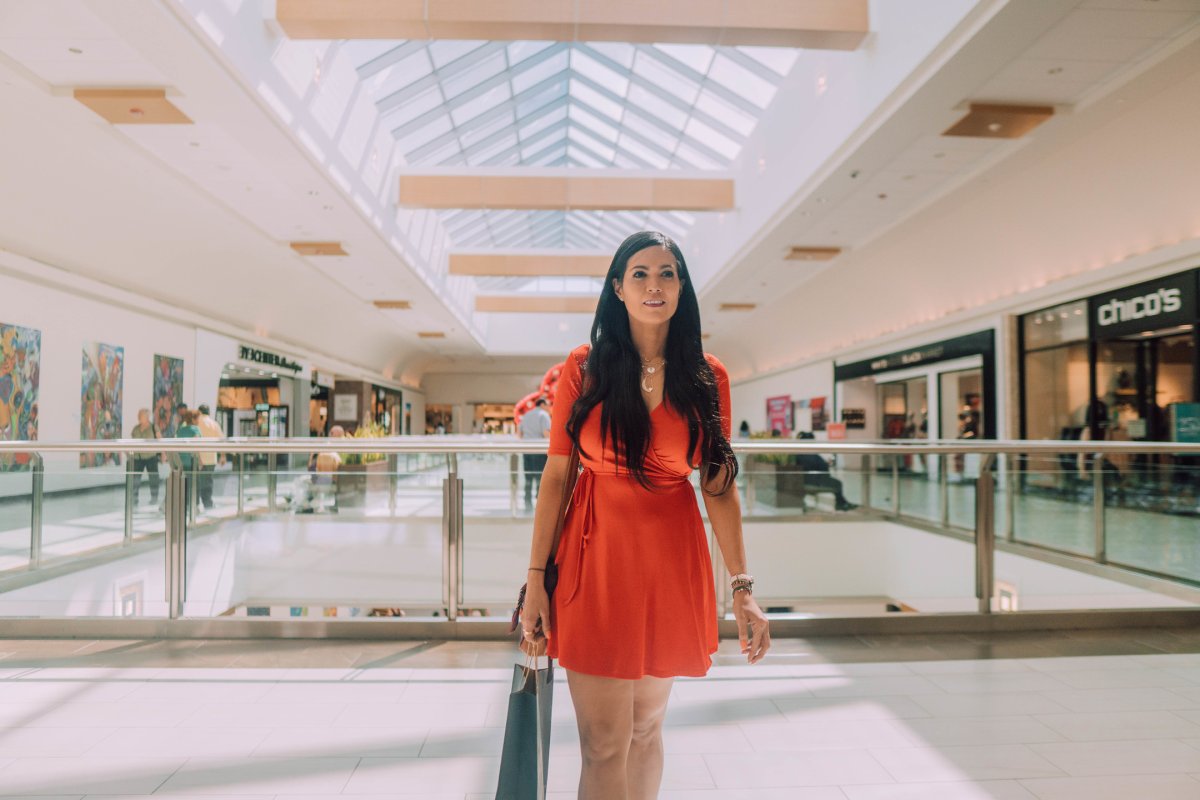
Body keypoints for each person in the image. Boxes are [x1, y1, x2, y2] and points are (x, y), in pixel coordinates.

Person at [520, 231, 770, 800]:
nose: (654, 285)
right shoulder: (584, 368)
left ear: (682, 288)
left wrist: (742, 586)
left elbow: (718, 486)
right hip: (593, 556)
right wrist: (536, 579)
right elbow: (557, 477)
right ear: (618, 287)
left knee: (645, 728)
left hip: (669, 560)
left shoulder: (708, 375)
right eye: (640, 273)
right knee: (603, 742)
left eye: (667, 273)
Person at [793, 431, 856, 511]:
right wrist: (826, 464)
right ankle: (840, 503)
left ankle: (842, 502)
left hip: (802, 482)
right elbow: (825, 471)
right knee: (838, 483)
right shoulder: (814, 456)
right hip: (816, 483)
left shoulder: (797, 455)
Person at [518, 397, 551, 509]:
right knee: (540, 477)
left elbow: (519, 433)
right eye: (548, 405)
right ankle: (539, 504)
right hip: (539, 450)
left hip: (526, 450)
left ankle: (527, 502)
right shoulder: (544, 415)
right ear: (542, 404)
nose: (548, 408)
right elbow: (546, 433)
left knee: (528, 477)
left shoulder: (527, 415)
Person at [195, 403, 223, 511]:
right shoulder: (214, 424)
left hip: (199, 459)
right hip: (211, 458)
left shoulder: (196, 423)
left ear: (199, 412)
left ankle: (195, 503)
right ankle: (207, 503)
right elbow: (221, 439)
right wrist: (223, 455)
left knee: (196, 481)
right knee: (208, 481)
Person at [129, 408, 161, 505]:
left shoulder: (153, 427)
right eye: (138, 415)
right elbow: (132, 441)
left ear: (147, 417)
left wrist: (163, 454)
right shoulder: (136, 428)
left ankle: (154, 497)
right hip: (138, 458)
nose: (138, 417)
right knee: (135, 479)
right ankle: (134, 499)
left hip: (151, 457)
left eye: (141, 415)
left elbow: (160, 440)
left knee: (153, 478)